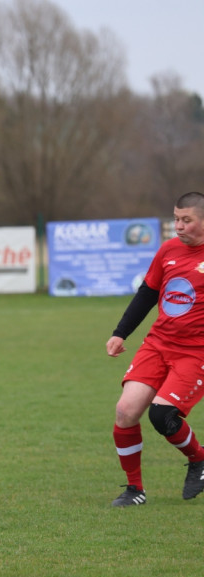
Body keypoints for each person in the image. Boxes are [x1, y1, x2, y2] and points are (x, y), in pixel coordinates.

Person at [106, 191, 204, 507]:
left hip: (195, 352)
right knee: (125, 412)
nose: (178, 226)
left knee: (161, 414)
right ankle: (135, 490)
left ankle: (198, 459)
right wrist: (121, 332)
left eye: (186, 220)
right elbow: (147, 293)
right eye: (176, 219)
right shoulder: (168, 250)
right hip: (158, 344)